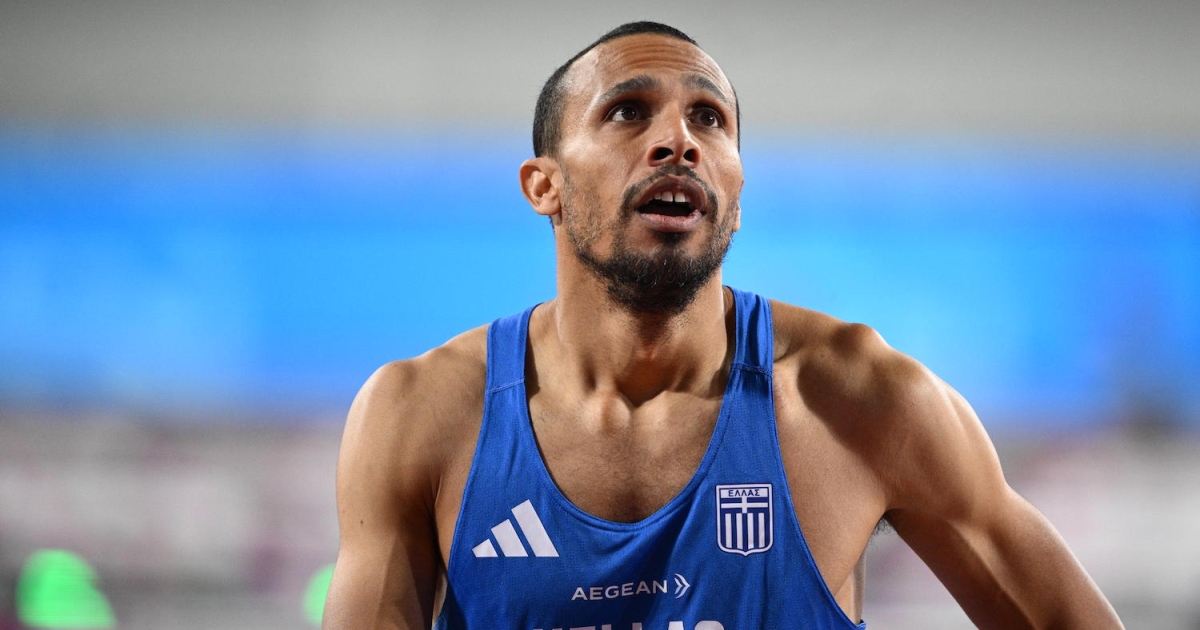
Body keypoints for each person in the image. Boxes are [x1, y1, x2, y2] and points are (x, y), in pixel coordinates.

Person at [322, 21, 1123, 630]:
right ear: (544, 186)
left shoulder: (861, 400)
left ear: (735, 198)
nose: (678, 141)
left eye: (709, 120)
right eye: (628, 112)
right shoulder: (420, 416)